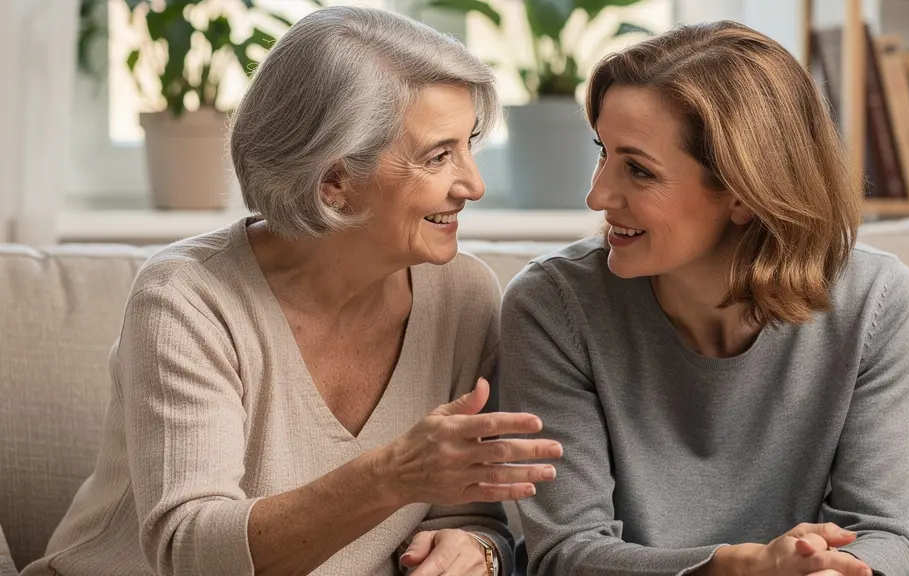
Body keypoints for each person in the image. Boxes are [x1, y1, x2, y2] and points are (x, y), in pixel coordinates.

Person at [23, 7, 562, 576]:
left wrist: (475, 547)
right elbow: (189, 550)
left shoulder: (463, 295)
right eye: (438, 156)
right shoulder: (187, 299)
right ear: (334, 184)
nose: (474, 185)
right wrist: (391, 475)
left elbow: (466, 511)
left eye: (470, 143)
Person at [500, 21, 909, 576]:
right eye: (602, 153)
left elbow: (885, 534)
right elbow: (565, 553)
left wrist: (827, 571)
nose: (597, 194)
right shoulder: (553, 306)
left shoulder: (879, 303)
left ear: (743, 193)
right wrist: (737, 567)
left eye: (638, 169)